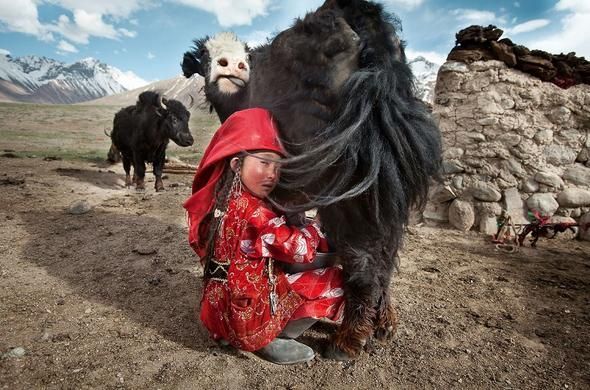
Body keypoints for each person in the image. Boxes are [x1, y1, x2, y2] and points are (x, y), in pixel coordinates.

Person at [184, 108, 344, 364]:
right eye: (264, 163)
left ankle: (226, 332)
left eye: (277, 166)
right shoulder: (257, 213)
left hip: (217, 312)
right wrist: (317, 224)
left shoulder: (220, 202)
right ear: (237, 164)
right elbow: (300, 249)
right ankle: (269, 339)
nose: (272, 173)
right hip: (246, 318)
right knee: (336, 279)